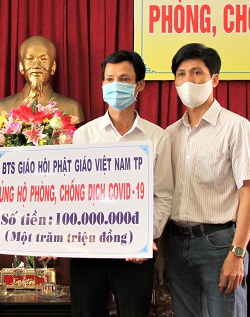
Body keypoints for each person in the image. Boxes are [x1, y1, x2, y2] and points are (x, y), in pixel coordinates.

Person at [71, 50, 174, 317]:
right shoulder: (84, 135)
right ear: (102, 84)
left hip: (134, 254)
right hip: (88, 251)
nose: (116, 85)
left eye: (125, 79)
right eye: (110, 78)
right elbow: (71, 194)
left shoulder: (157, 137)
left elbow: (163, 195)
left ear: (140, 85)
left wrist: (143, 237)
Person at [159, 43, 250, 317]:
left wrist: (237, 253)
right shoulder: (169, 135)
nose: (188, 81)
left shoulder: (236, 128)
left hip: (219, 244)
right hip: (177, 245)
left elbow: (249, 193)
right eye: (181, 74)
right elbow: (163, 194)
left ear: (214, 79)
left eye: (197, 73)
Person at [0, 36, 84, 124]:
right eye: (30, 59)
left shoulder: (72, 108)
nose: (36, 66)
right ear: (21, 66)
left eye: (43, 59)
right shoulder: (2, 108)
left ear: (53, 66)